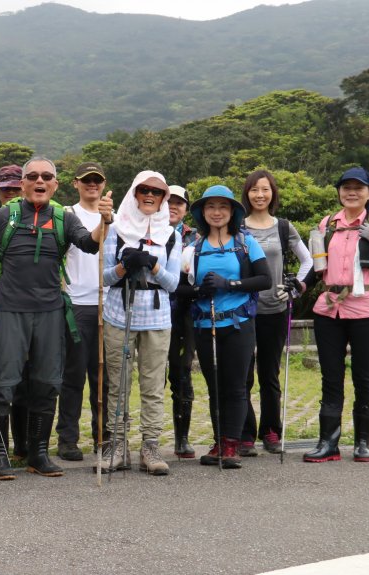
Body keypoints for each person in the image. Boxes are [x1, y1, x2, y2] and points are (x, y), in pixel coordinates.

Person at [0, 157, 112, 480]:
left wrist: (104, 221)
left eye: (47, 176)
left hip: (50, 312)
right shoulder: (2, 217)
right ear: (22, 183)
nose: (39, 181)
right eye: (32, 176)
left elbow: (89, 245)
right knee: (2, 385)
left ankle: (39, 454)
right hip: (7, 311)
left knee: (48, 383)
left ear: (56, 184)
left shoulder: (63, 218)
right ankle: (0, 456)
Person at [301, 167, 369, 463]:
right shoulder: (328, 223)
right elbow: (317, 265)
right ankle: (328, 443)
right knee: (331, 377)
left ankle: (362, 443)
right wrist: (299, 284)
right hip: (330, 308)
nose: (351, 192)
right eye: (346, 187)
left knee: (363, 376)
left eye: (358, 187)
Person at [179, 185, 270, 469]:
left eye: (223, 207)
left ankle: (232, 443)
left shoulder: (246, 243)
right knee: (214, 384)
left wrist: (229, 284)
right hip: (205, 325)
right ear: (202, 213)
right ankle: (219, 440)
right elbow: (180, 289)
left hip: (239, 324)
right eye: (210, 207)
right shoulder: (192, 248)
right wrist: (198, 290)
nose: (216, 212)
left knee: (235, 386)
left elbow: (264, 280)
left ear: (232, 212)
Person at [98, 171, 181, 475]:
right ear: (134, 193)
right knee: (118, 382)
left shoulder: (171, 235)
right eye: (143, 190)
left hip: (157, 318)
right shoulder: (115, 230)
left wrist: (153, 264)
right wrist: (124, 266)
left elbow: (173, 283)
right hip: (120, 313)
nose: (149, 195)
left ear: (163, 199)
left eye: (156, 192)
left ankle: (151, 446)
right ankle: (118, 445)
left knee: (153, 384)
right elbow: (103, 277)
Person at [240, 170, 313, 456]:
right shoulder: (238, 228)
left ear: (273, 193)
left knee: (269, 374)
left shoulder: (283, 227)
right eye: (254, 190)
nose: (260, 195)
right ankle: (245, 433)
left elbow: (308, 261)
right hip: (243, 309)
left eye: (265, 189)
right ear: (246, 194)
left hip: (275, 309)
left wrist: (296, 287)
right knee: (243, 375)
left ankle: (271, 431)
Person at [56, 162, 110, 462]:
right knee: (73, 376)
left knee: (103, 377)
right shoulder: (68, 215)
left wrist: (107, 218)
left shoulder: (115, 218)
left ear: (103, 185)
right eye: (87, 181)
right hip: (76, 304)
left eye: (97, 181)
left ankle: (102, 437)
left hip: (107, 304)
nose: (92, 185)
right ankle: (67, 439)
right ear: (76, 183)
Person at [0, 163, 30, 457]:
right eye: (5, 191)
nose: (10, 195)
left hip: (34, 309)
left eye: (15, 189)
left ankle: (24, 444)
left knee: (27, 379)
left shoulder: (43, 219)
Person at [165, 185, 198, 458]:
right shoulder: (143, 231)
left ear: (186, 208)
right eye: (168, 201)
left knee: (182, 374)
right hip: (148, 312)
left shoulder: (196, 238)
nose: (172, 207)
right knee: (148, 378)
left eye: (179, 203)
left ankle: (182, 438)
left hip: (184, 313)